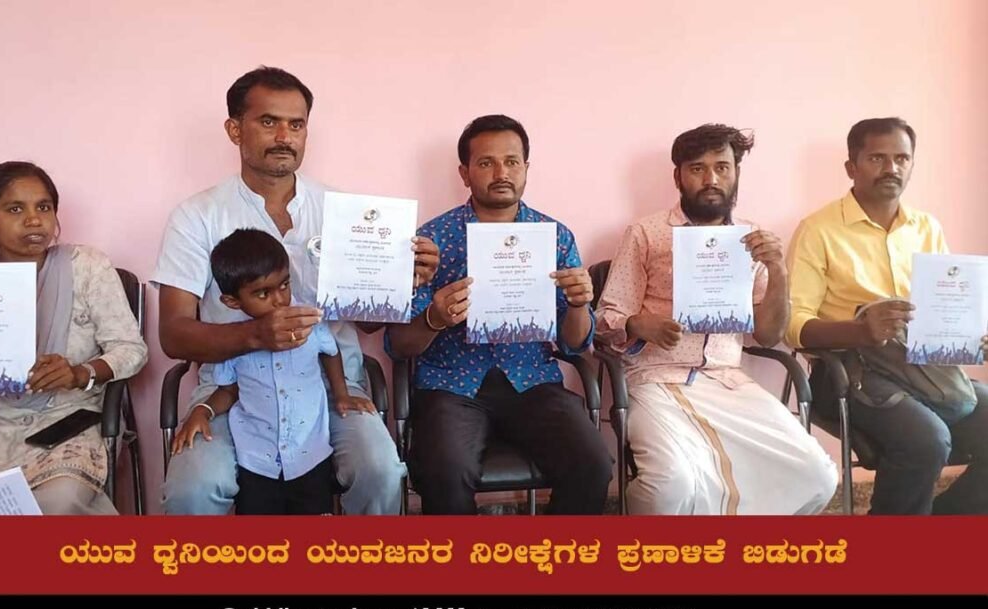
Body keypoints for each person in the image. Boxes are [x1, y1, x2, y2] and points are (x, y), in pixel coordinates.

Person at [152, 66, 438, 515]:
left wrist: (401, 280)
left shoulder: (343, 212)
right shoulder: (197, 216)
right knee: (193, 488)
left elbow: (365, 323)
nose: (284, 135)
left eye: (296, 124)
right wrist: (255, 336)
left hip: (333, 387)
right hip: (231, 392)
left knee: (381, 470)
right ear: (234, 129)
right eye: (268, 121)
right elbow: (173, 334)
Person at [595, 124, 836, 514]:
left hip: (728, 381)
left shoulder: (752, 238)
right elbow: (606, 318)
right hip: (657, 379)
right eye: (697, 169)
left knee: (818, 476)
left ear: (736, 172)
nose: (711, 179)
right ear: (678, 177)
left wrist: (778, 270)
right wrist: (641, 325)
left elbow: (769, 332)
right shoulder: (646, 234)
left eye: (722, 167)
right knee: (670, 486)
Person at [386, 114, 612, 514]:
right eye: (486, 163)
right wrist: (434, 318)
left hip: (533, 382)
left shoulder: (553, 235)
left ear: (527, 168)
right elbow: (398, 346)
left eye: (512, 161)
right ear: (465, 172)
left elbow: (575, 342)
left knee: (592, 463)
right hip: (451, 387)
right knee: (445, 471)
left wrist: (578, 304)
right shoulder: (432, 239)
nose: (501, 172)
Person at [0, 161, 147, 514]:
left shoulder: (86, 266)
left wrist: (81, 373)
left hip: (66, 419)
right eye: (15, 209)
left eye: (44, 207)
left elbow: (131, 349)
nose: (34, 220)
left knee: (57, 501)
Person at [787, 117, 988, 514]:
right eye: (877, 158)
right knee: (926, 439)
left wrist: (973, 335)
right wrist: (860, 330)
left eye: (901, 158)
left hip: (926, 370)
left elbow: (946, 308)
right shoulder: (818, 230)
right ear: (852, 167)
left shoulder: (926, 227)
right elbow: (793, 328)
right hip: (847, 373)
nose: (891, 168)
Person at [170, 229, 374, 514]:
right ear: (232, 301)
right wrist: (201, 411)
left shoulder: (308, 323)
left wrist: (341, 394)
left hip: (310, 455)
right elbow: (229, 390)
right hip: (256, 460)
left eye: (284, 285)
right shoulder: (235, 341)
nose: (279, 299)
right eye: (263, 293)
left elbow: (331, 352)